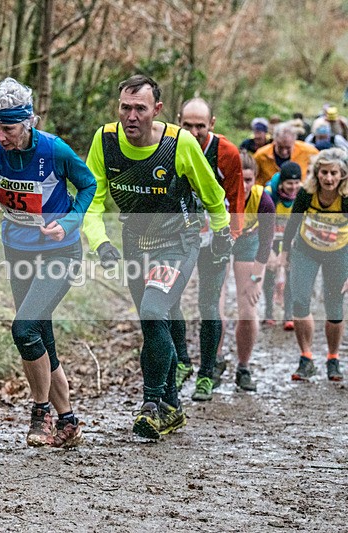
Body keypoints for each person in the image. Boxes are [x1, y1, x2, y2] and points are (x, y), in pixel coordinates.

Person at [82, 75, 230, 440]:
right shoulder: (105, 140)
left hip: (179, 241)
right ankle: (173, 407)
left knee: (153, 310)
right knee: (154, 319)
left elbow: (211, 193)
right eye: (125, 108)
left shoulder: (178, 143)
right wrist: (100, 242)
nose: (131, 116)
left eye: (140, 109)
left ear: (157, 111)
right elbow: (91, 199)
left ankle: (151, 403)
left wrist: (223, 233)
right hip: (136, 241)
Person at [0, 77, 96, 448]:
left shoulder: (55, 151)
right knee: (41, 336)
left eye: (7, 128)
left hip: (61, 251)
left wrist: (70, 221)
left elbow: (88, 186)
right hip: (18, 251)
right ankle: (68, 422)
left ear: (27, 122)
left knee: (24, 329)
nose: (0, 136)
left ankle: (40, 413)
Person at [173, 98, 245, 401]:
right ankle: (182, 362)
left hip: (215, 235)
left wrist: (231, 236)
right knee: (168, 298)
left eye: (200, 126)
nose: (193, 131)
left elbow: (236, 197)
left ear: (211, 124)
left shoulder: (226, 152)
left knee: (208, 303)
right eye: (187, 125)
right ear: (178, 121)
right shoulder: (169, 145)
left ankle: (206, 373)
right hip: (180, 235)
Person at [280, 148, 348, 382]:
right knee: (299, 300)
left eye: (334, 173)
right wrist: (284, 253)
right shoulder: (307, 194)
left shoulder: (346, 198)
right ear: (317, 174)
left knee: (335, 306)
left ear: (343, 175)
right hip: (306, 250)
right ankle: (306, 358)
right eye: (324, 173)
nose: (329, 179)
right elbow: (293, 223)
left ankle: (333, 358)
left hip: (338, 252)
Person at [214, 153, 275, 391]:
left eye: (248, 180)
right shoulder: (218, 193)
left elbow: (267, 242)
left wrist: (256, 278)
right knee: (213, 309)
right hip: (220, 240)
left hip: (249, 242)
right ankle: (215, 361)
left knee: (248, 310)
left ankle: (244, 366)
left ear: (256, 180)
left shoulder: (264, 201)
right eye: (239, 180)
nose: (243, 186)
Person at [262, 161, 303, 330]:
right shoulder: (269, 193)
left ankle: (288, 314)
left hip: (291, 236)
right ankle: (269, 312)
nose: (293, 187)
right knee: (271, 269)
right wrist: (270, 251)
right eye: (289, 183)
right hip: (270, 235)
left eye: (296, 183)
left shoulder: (303, 193)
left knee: (290, 271)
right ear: (281, 183)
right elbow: (262, 224)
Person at [253, 122, 318, 186]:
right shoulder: (260, 155)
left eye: (288, 148)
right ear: (274, 141)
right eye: (280, 147)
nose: (284, 152)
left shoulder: (308, 151)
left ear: (294, 141)